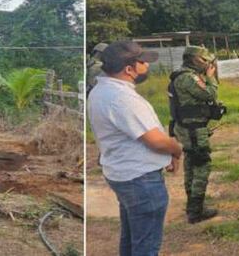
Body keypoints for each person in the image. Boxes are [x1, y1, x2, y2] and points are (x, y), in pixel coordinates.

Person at [88, 41, 183, 256]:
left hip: (125, 175)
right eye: (143, 62)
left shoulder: (100, 91)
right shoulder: (122, 98)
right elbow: (156, 141)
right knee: (146, 246)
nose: (147, 66)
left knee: (132, 238)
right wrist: (177, 149)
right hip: (141, 181)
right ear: (129, 69)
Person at [168, 46, 224, 223]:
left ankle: (193, 206)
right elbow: (209, 93)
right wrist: (210, 78)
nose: (208, 64)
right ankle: (196, 211)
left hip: (188, 127)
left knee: (192, 163)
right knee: (201, 164)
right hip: (193, 129)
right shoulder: (188, 78)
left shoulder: (182, 76)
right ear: (194, 60)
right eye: (205, 60)